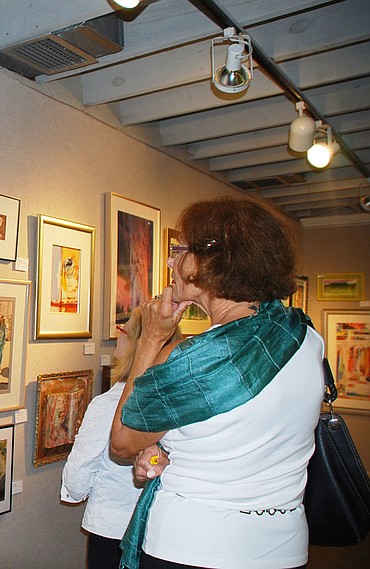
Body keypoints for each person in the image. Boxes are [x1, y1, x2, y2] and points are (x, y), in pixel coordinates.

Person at [109, 197, 325, 569]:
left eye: (180, 250)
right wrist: (171, 452)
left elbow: (124, 441)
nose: (171, 262)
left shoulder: (194, 360)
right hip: (284, 545)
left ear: (208, 263)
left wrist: (151, 340)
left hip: (194, 545)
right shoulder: (303, 337)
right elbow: (240, 434)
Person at [61, 307, 180, 569]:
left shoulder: (108, 405)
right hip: (160, 530)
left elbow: (77, 479)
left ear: (138, 343)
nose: (118, 337)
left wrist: (78, 491)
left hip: (111, 529)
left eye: (122, 332)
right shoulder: (176, 400)